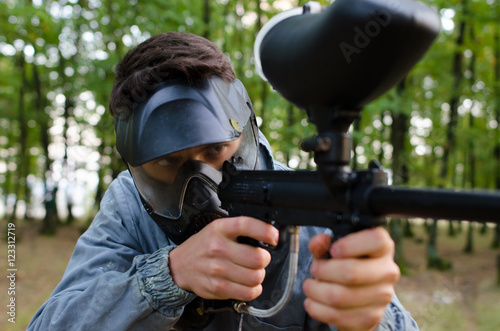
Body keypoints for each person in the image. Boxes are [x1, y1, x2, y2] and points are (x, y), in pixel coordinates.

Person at [28, 32, 418, 331]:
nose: (202, 188)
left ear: (245, 132)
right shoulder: (130, 205)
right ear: (139, 167)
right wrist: (168, 275)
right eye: (168, 163)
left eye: (216, 152)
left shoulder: (309, 203)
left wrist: (369, 317)